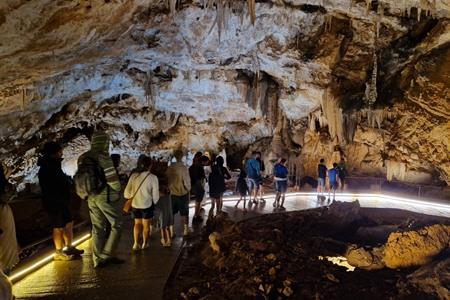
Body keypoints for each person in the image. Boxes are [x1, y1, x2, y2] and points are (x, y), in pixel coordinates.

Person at [77, 130, 123, 268]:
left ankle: (97, 259)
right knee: (117, 224)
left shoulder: (82, 157)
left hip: (90, 195)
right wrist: (118, 188)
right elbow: (112, 179)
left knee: (97, 227)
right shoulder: (103, 156)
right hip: (104, 195)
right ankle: (106, 254)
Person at [38, 142, 83, 261]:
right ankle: (58, 252)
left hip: (62, 200)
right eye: (60, 150)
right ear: (55, 152)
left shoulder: (54, 165)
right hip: (54, 202)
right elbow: (51, 185)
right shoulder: (47, 167)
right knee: (58, 226)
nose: (62, 152)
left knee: (69, 223)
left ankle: (68, 247)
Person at [124, 156, 159, 251]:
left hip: (135, 204)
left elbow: (126, 193)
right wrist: (155, 202)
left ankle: (135, 244)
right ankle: (145, 244)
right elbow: (155, 195)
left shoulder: (133, 176)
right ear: (150, 165)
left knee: (137, 224)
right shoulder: (153, 177)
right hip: (147, 205)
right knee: (146, 226)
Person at [166, 149, 191, 236]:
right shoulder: (183, 168)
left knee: (172, 213)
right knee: (184, 213)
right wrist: (188, 190)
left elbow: (167, 180)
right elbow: (186, 182)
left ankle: (172, 232)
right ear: (182, 157)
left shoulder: (170, 168)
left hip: (172, 194)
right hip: (182, 193)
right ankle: (185, 230)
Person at [189, 152, 205, 223]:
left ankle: (196, 215)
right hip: (198, 186)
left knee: (197, 201)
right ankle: (196, 216)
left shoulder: (191, 167)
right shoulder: (199, 166)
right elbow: (202, 177)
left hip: (192, 186)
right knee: (198, 202)